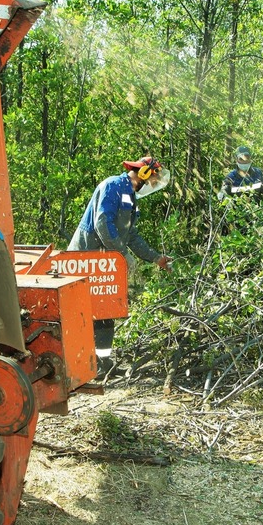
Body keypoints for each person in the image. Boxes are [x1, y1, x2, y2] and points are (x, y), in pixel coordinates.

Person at [68, 155, 172, 371]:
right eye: (153, 179)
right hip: (86, 257)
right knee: (83, 311)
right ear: (143, 173)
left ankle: (102, 361)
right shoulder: (113, 186)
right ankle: (80, 362)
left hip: (105, 261)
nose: (153, 184)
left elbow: (131, 235)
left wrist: (156, 258)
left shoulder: (131, 199)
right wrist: (122, 254)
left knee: (106, 309)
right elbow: (102, 223)